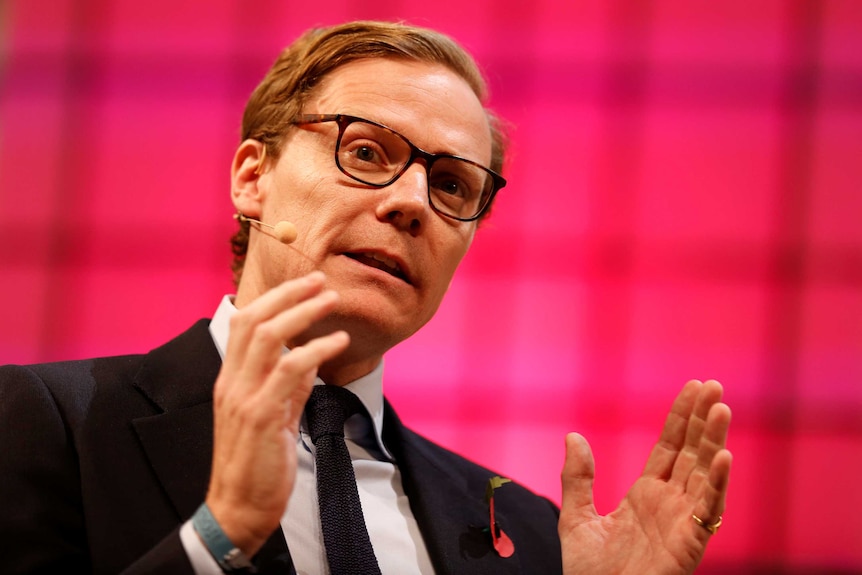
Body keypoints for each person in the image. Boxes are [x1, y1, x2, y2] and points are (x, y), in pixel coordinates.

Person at [0, 20, 732, 575]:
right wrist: (219, 533)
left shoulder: (527, 530)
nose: (412, 201)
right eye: (366, 151)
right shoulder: (45, 424)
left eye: (452, 185)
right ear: (252, 176)